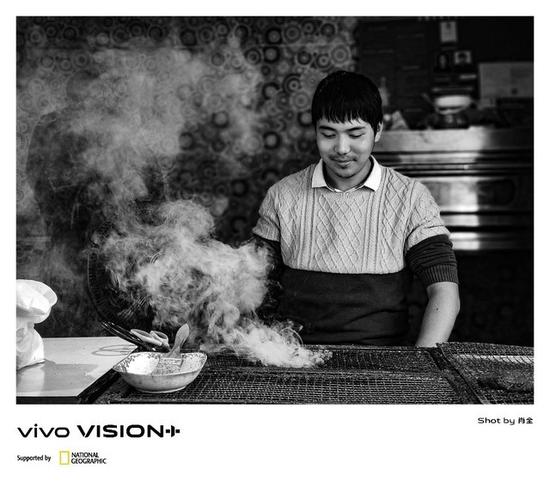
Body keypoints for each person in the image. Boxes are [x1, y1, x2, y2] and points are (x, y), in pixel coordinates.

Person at [252, 70, 460, 347]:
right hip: (294, 354)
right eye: (328, 134)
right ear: (315, 131)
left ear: (378, 130)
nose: (341, 148)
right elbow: (254, 283)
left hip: (383, 358)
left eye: (355, 134)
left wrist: (422, 361)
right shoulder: (282, 196)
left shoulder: (411, 199)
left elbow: (444, 292)